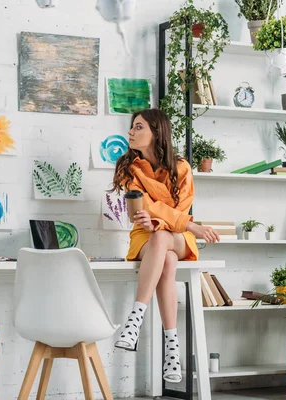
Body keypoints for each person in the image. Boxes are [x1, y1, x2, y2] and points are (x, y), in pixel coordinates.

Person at [109, 108, 220, 383]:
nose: (130, 133)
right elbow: (143, 207)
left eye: (138, 127)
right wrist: (187, 224)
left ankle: (135, 318)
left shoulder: (181, 167)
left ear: (156, 132)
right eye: (132, 127)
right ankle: (173, 350)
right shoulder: (128, 168)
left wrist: (164, 222)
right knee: (167, 260)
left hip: (178, 236)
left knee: (163, 237)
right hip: (145, 236)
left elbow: (178, 210)